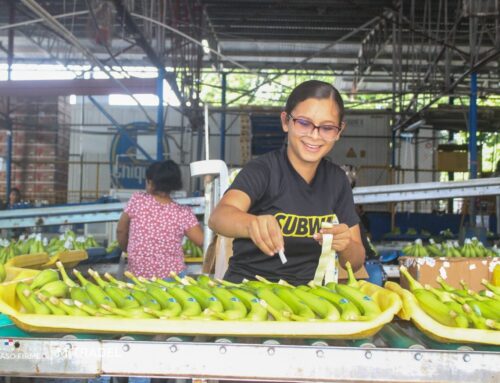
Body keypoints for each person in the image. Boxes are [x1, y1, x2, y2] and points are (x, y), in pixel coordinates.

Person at [209, 80, 365, 285]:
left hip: (309, 297)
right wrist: (251, 224)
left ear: (338, 131)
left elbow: (355, 262)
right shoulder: (263, 170)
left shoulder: (337, 181)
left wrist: (345, 246)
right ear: (286, 121)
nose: (314, 135)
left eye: (327, 127)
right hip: (248, 291)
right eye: (303, 123)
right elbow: (219, 217)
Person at [117, 160, 204, 279]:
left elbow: (121, 230)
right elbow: (202, 241)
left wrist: (128, 249)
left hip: (139, 278)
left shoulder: (137, 200)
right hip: (172, 279)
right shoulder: (183, 213)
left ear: (151, 183)